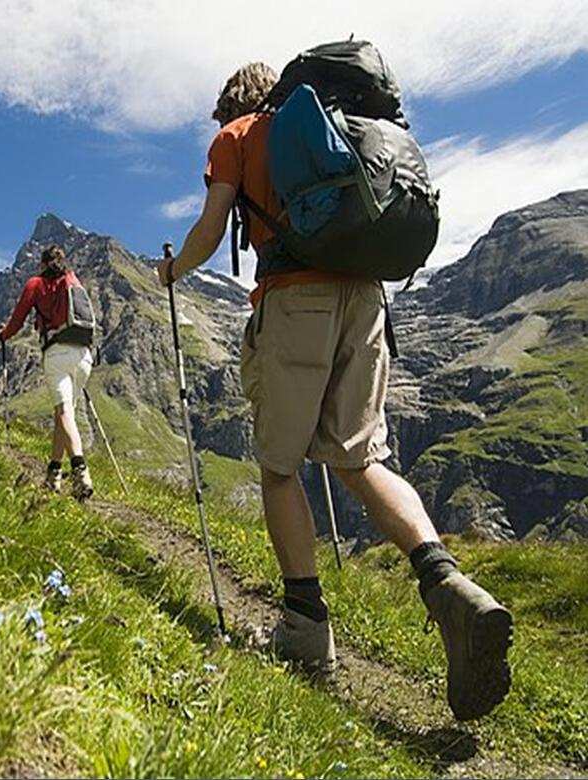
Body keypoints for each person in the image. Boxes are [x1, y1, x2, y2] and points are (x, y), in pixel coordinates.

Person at [156, 63, 513, 721]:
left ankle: (304, 636)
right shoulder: (341, 124)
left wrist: (171, 270)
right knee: (359, 459)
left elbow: (210, 230)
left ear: (229, 102)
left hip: (295, 301)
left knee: (277, 467)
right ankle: (448, 586)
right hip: (368, 301)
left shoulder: (236, 134)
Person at [0, 245, 95, 501]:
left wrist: (4, 335)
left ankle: (80, 471)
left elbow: (18, 320)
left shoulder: (36, 284)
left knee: (64, 413)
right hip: (84, 355)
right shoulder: (72, 280)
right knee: (63, 417)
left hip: (57, 354)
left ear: (42, 264)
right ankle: (53, 476)